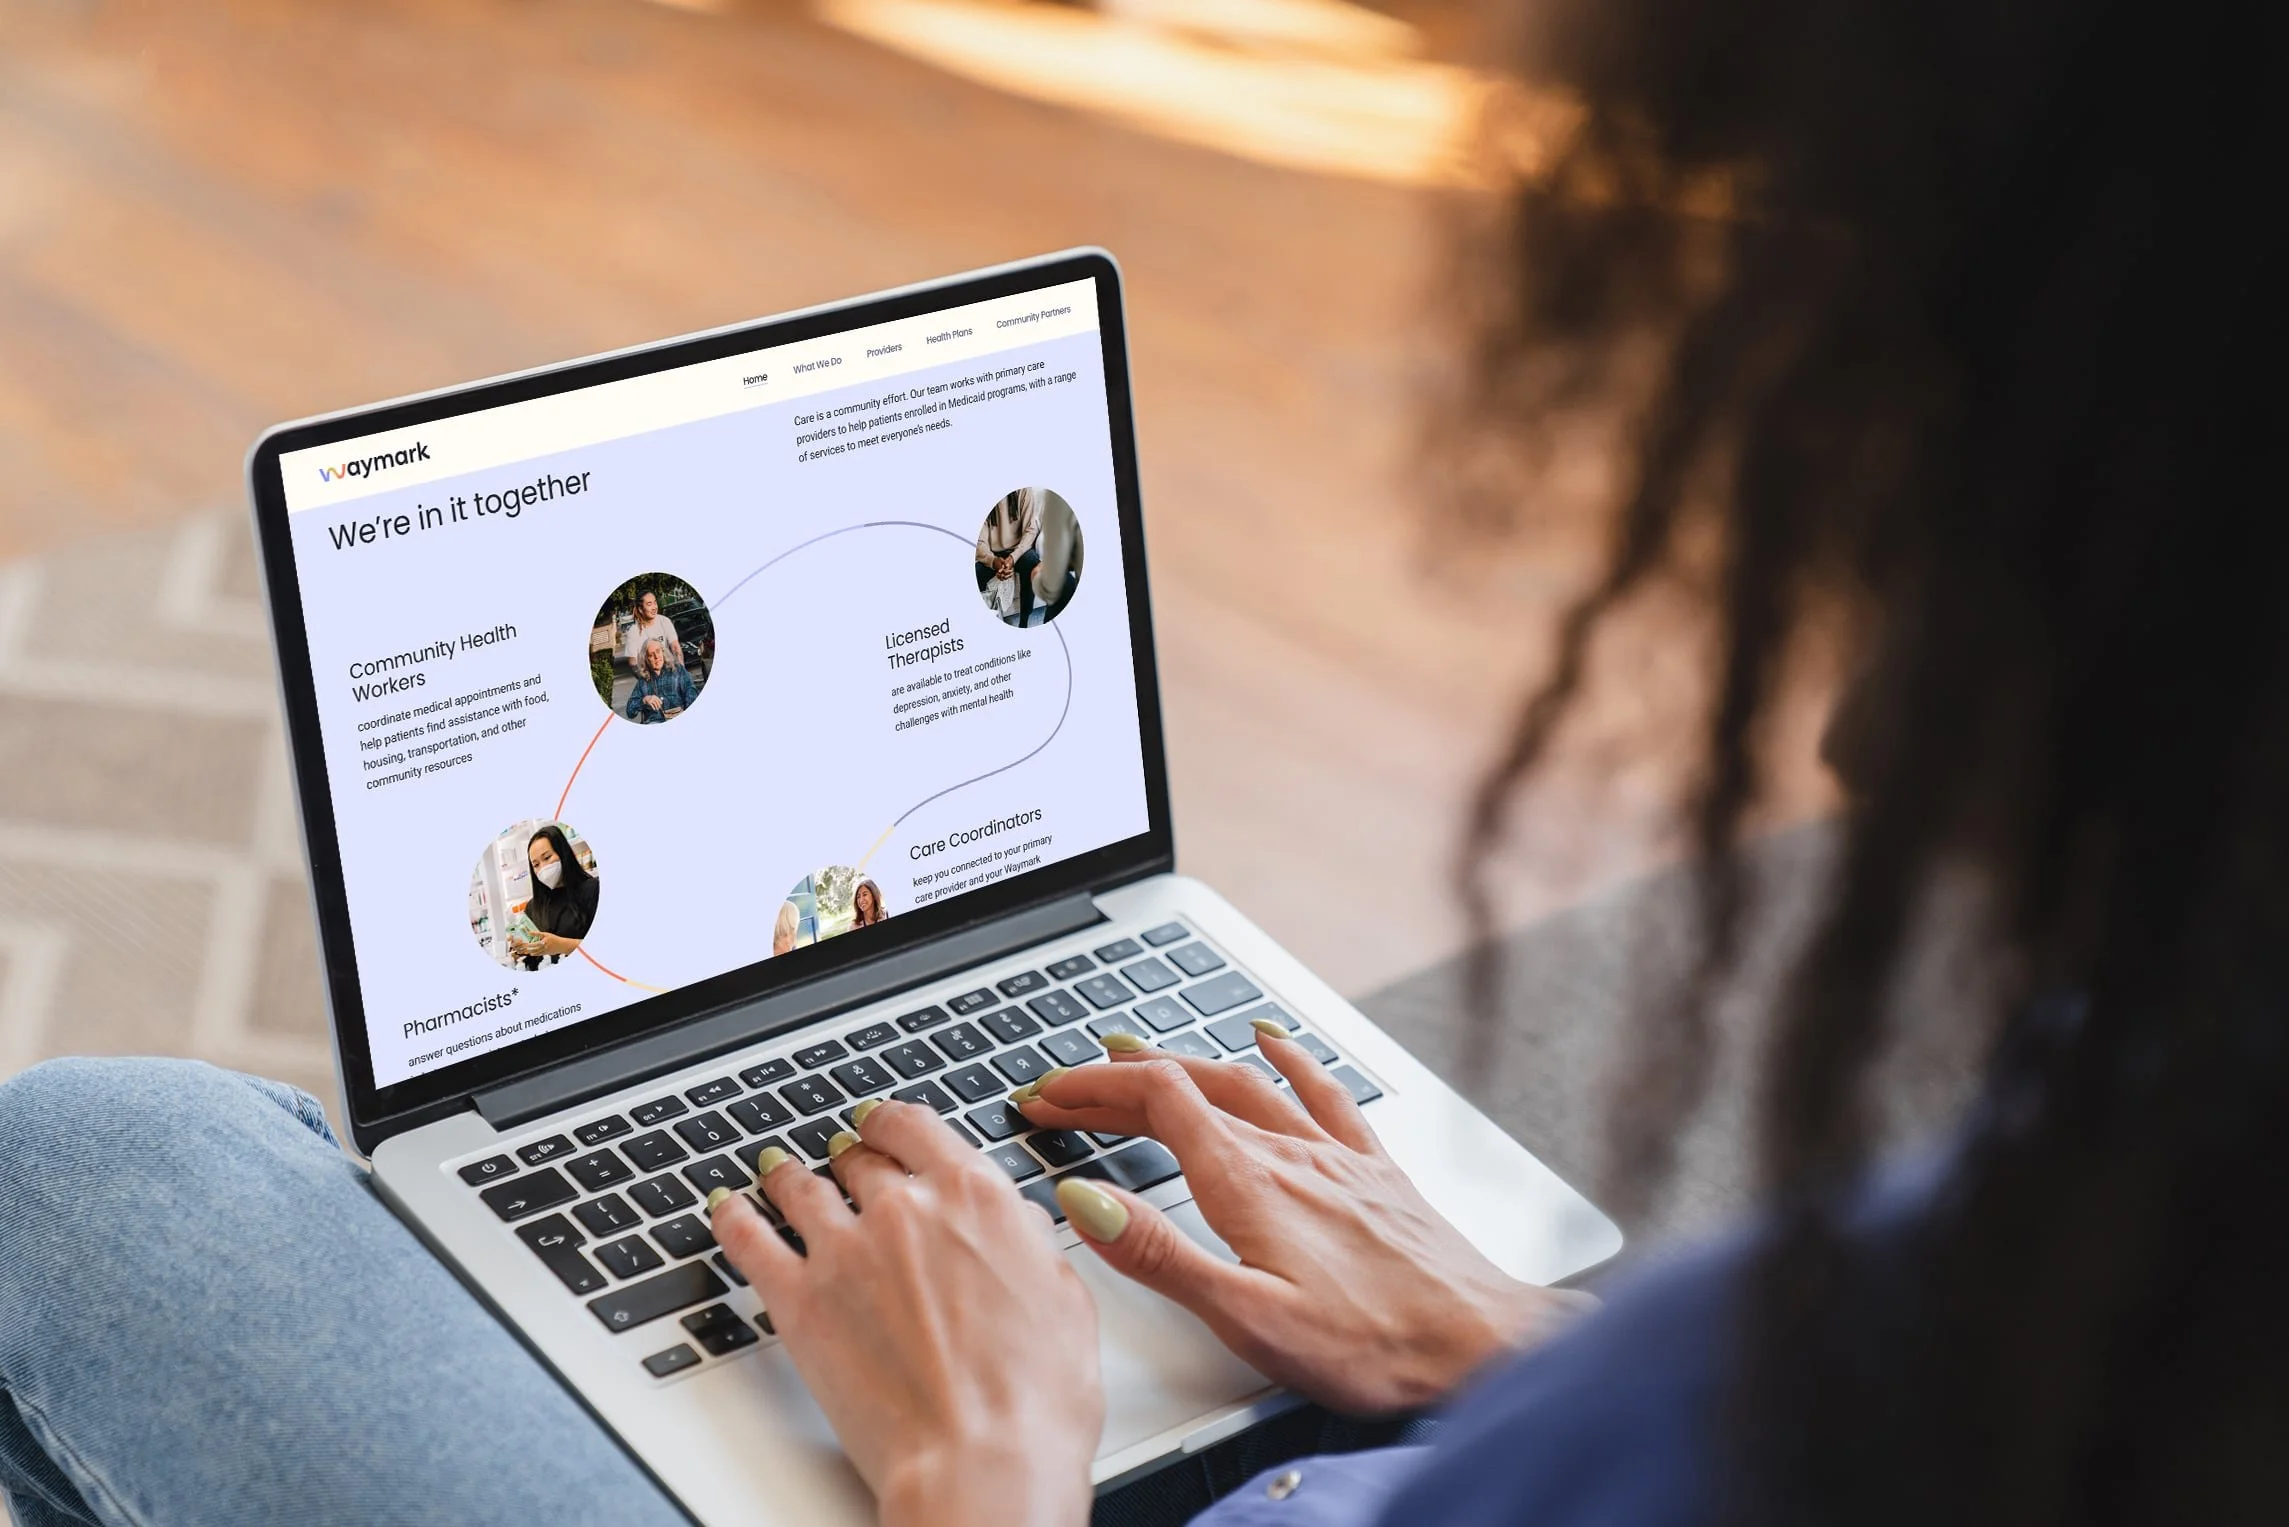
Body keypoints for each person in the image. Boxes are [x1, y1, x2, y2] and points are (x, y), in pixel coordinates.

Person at [1, 0, 2280, 1522]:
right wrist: (1511, 1348)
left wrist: (980, 1459)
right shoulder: (2142, 1181)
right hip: (1396, 1425)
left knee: (107, 1166)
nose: (1857, 723)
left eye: (1924, 532)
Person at [504, 824, 598, 972]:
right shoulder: (533, 907)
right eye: (535, 864)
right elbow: (534, 958)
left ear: (563, 853)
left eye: (547, 857)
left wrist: (561, 945)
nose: (542, 867)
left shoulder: (592, 889)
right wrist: (520, 951)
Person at [975, 489, 1043, 626]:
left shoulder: (1023, 490)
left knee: (1032, 564)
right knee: (976, 571)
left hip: (1019, 550)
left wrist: (1012, 558)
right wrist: (994, 562)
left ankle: (1024, 621)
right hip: (994, 553)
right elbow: (979, 542)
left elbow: (1030, 530)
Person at [622, 638, 695, 723]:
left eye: (658, 651)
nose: (656, 657)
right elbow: (630, 712)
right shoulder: (643, 682)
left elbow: (691, 693)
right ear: (646, 659)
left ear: (663, 652)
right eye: (651, 655)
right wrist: (644, 700)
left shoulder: (677, 670)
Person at [618, 587, 682, 673]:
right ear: (640, 609)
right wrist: (646, 679)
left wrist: (681, 671)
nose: (654, 607)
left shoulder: (665, 621)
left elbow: (675, 647)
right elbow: (633, 662)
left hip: (670, 671)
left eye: (655, 603)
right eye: (649, 604)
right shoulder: (633, 632)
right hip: (649, 676)